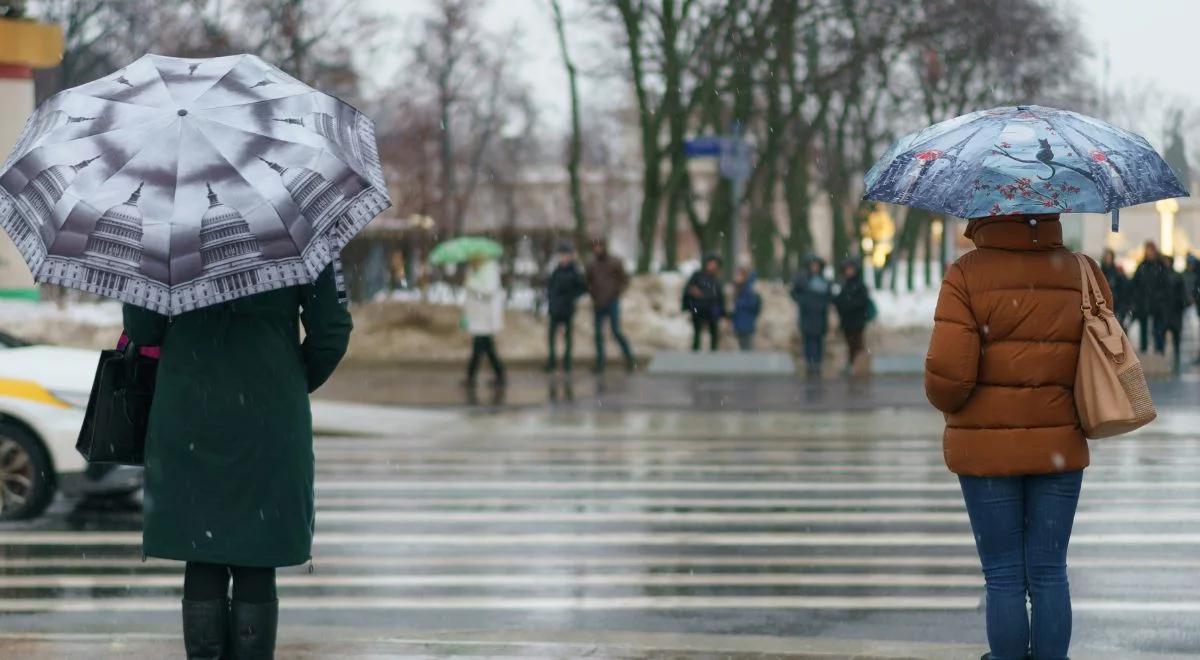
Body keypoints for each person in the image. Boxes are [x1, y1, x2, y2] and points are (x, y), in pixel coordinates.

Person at [122, 264, 351, 660]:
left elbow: (143, 329)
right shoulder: (300, 228)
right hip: (269, 415)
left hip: (191, 411)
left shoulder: (166, 227)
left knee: (202, 553)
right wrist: (286, 379)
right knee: (256, 555)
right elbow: (331, 331)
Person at [925, 214, 1103, 660]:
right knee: (1049, 572)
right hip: (1059, 443)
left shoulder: (966, 274)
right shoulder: (1081, 271)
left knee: (1003, 574)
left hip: (986, 451)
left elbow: (949, 382)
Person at [586, 240, 636, 373]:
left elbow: (624, 279)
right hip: (598, 302)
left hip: (612, 301)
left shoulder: (614, 262)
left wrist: (616, 292)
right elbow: (588, 281)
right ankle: (600, 363)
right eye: (595, 247)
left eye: (599, 246)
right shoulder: (592, 264)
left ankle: (629, 359)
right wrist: (593, 294)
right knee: (598, 334)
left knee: (616, 331)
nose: (597, 249)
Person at [544, 242, 588, 373]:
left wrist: (570, 297)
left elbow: (582, 288)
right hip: (555, 307)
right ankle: (551, 361)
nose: (562, 258)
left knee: (568, 337)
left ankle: (567, 362)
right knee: (551, 336)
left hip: (567, 307)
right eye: (561, 255)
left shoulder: (575, 271)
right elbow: (550, 287)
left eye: (565, 255)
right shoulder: (556, 270)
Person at [463, 255, 506, 386]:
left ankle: (472, 376)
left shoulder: (489, 270)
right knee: (486, 347)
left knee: (481, 346)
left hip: (486, 316)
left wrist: (471, 283)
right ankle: (499, 375)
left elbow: (488, 291)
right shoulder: (473, 270)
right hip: (477, 316)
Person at [790, 256, 831, 376]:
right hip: (807, 316)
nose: (815, 267)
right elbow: (794, 293)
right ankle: (810, 364)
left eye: (816, 265)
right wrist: (804, 302)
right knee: (809, 341)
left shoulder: (824, 281)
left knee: (818, 342)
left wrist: (823, 305)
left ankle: (817, 364)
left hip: (820, 316)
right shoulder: (803, 280)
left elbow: (829, 296)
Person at [832, 259, 873, 375]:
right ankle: (853, 365)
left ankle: (858, 366)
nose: (849, 272)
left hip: (857, 321)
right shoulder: (844, 284)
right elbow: (838, 300)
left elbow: (862, 301)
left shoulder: (859, 285)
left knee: (857, 344)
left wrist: (848, 304)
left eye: (851, 269)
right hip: (847, 321)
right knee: (850, 344)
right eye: (847, 270)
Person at [1131, 242, 1171, 354]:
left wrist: (1160, 298)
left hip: (1157, 304)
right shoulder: (1142, 266)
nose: (1149, 253)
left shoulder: (1160, 266)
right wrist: (1137, 299)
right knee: (1143, 329)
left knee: (1158, 329)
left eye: (1150, 250)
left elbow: (1166, 285)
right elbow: (1135, 285)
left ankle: (1159, 350)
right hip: (1144, 303)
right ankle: (1144, 349)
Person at [682, 254, 727, 352]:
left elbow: (719, 296)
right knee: (697, 333)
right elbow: (688, 290)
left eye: (714, 264)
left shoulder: (716, 279)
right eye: (710, 263)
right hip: (698, 308)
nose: (712, 266)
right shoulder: (697, 275)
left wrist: (722, 312)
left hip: (712, 310)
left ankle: (713, 354)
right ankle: (695, 355)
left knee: (714, 333)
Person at [730, 267, 763, 351]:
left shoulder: (748, 289)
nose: (736, 277)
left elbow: (753, 304)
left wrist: (737, 304)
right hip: (739, 324)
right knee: (743, 347)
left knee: (747, 349)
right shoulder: (738, 288)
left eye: (739, 275)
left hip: (746, 323)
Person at [1100, 248, 1130, 329]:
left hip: (1115, 305)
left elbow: (1123, 291)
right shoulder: (1100, 272)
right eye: (1106, 257)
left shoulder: (1116, 273)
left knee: (1115, 329)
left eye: (1109, 257)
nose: (1107, 260)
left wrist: (1122, 307)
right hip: (1103, 306)